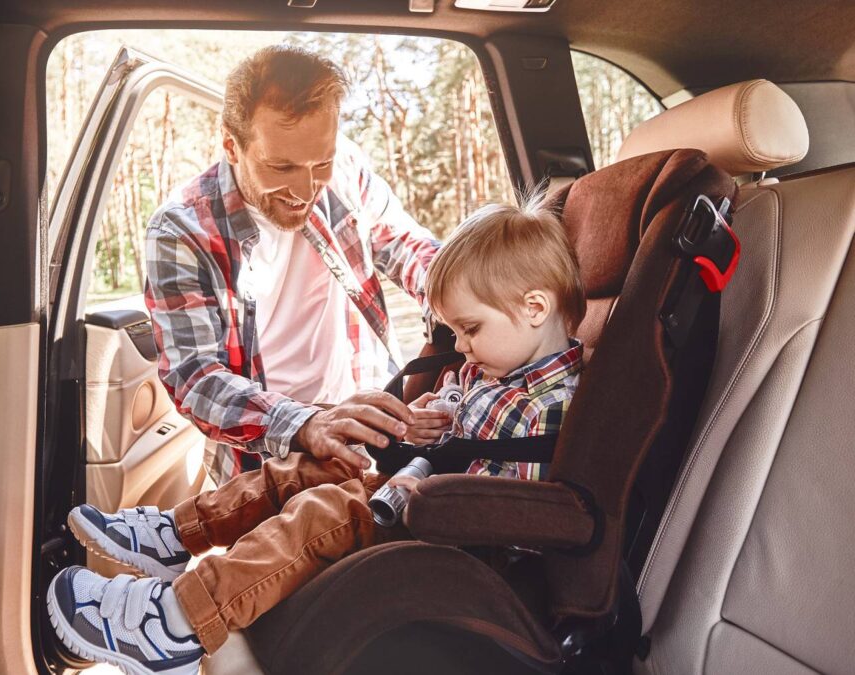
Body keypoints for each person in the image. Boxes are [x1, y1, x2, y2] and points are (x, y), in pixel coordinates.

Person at [46, 198, 588, 674]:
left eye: (470, 330)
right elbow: (465, 414)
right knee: (302, 471)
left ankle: (176, 624)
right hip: (416, 487)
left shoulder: (548, 405)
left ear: (535, 308)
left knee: (320, 512)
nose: (462, 346)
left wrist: (425, 469)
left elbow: (505, 501)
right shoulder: (500, 366)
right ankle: (176, 534)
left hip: (456, 530)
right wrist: (429, 415)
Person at [143, 44, 446, 486]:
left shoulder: (345, 170)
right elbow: (195, 377)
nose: (305, 189)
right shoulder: (180, 230)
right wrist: (305, 425)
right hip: (263, 456)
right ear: (231, 144)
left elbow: (405, 245)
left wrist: (464, 293)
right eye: (280, 166)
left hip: (369, 428)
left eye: (319, 162)